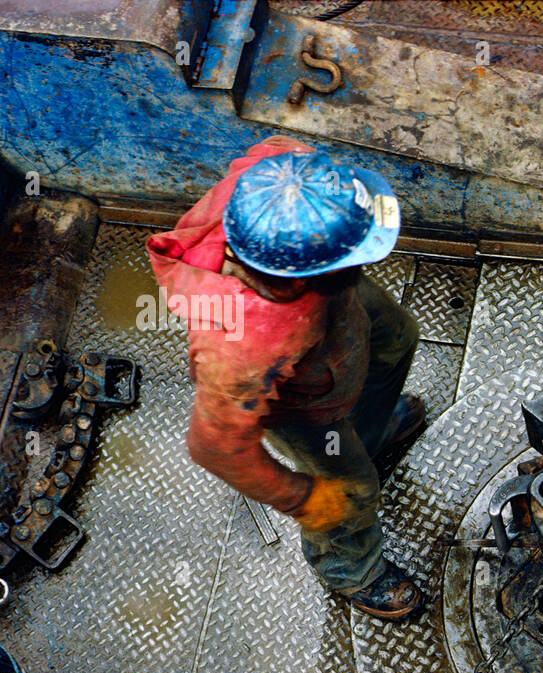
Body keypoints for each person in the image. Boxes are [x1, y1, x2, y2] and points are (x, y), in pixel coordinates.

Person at [147, 137, 429, 619]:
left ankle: (371, 433)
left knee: (397, 338)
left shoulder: (282, 173)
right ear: (297, 276)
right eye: (357, 255)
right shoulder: (243, 342)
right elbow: (213, 445)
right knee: (353, 488)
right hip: (307, 408)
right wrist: (303, 496)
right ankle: (350, 570)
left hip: (336, 315)